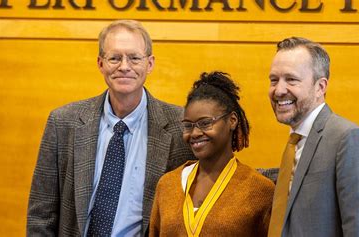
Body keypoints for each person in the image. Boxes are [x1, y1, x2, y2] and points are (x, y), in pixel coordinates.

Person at [26, 20, 194, 236]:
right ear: (100, 63)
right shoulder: (63, 122)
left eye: (134, 58)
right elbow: (41, 213)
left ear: (150, 64)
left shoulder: (181, 126)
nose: (124, 66)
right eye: (114, 58)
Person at [267, 37, 359, 237]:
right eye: (274, 80)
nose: (279, 90)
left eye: (291, 79)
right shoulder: (294, 142)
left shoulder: (347, 138)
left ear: (320, 87)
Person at [149, 71, 275, 236]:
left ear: (232, 120)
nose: (194, 133)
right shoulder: (167, 184)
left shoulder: (260, 190)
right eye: (188, 125)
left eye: (205, 123)